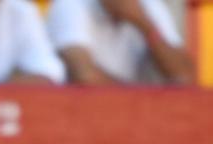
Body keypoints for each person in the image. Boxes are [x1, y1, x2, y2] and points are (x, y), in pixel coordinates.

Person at [46, 0, 196, 85]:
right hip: (79, 113)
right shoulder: (70, 4)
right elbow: (84, 76)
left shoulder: (149, 6)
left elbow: (186, 77)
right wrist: (143, 100)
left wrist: (144, 24)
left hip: (131, 113)